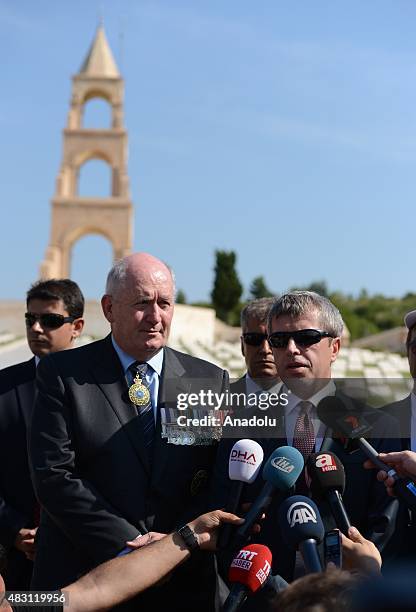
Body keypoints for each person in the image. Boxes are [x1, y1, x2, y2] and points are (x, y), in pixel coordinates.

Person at [29, 253, 228, 612]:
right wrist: (134, 547)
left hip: (182, 580)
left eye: (164, 303)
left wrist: (174, 542)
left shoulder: (209, 380)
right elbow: (54, 476)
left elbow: (214, 474)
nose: (155, 317)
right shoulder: (64, 374)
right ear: (108, 308)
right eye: (142, 303)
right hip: (88, 572)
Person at [212, 291, 400, 580]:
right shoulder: (240, 425)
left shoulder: (378, 427)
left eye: (306, 338)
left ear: (334, 347)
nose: (291, 349)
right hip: (264, 593)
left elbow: (383, 526)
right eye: (279, 340)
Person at [0, 279, 84, 590]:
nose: (36, 328)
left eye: (48, 320)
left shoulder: (103, 389)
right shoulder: (3, 388)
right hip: (14, 562)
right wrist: (14, 529)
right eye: (30, 319)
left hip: (85, 562)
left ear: (77, 326)